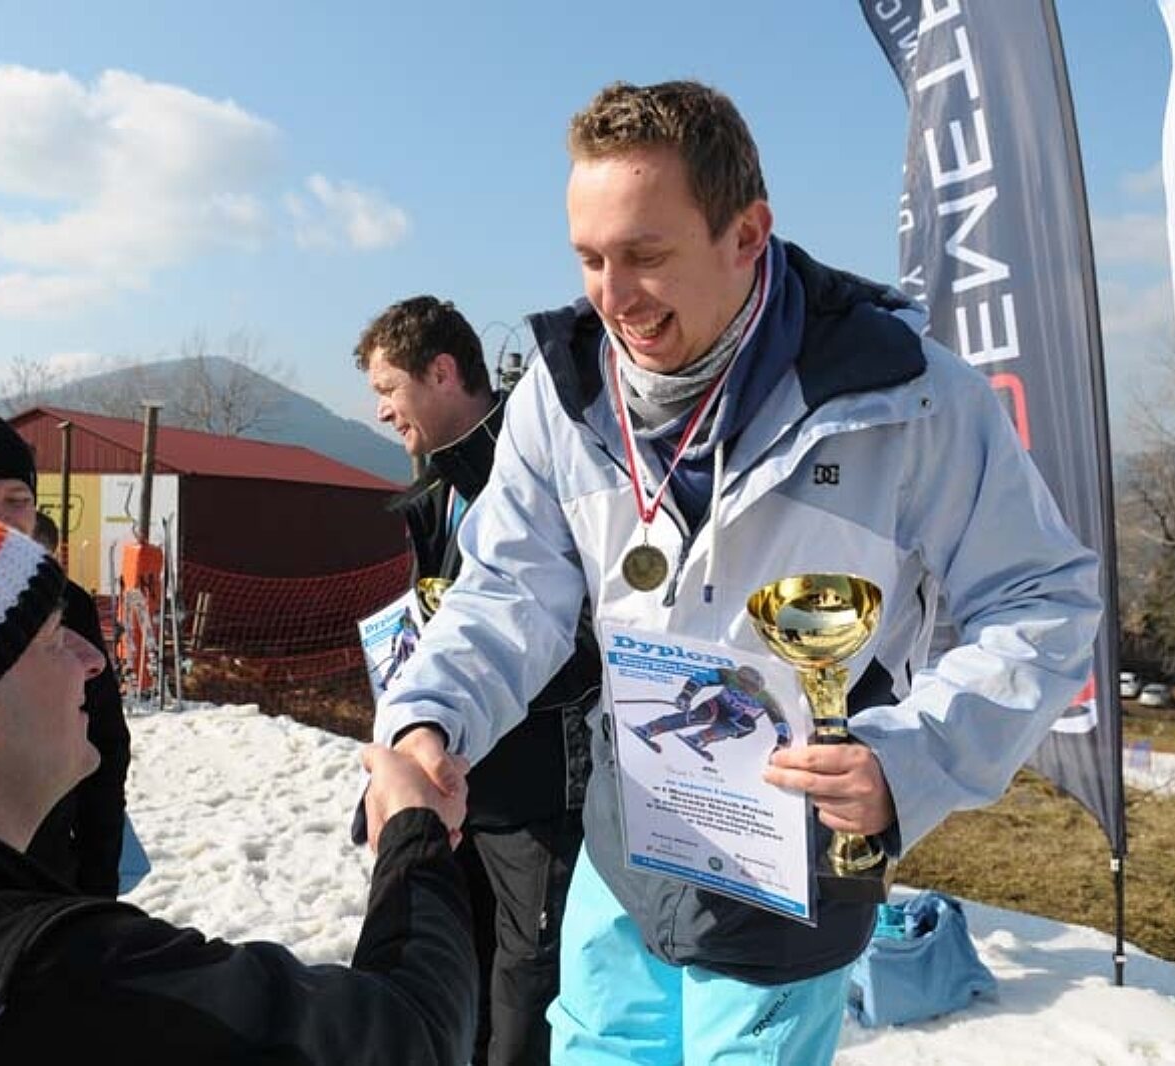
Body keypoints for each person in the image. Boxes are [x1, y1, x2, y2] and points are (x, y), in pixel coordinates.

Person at [368, 81, 1101, 1064]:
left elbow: (1043, 598)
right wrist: (430, 717)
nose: (613, 296)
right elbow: (508, 590)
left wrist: (911, 759)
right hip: (622, 851)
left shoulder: (903, 396)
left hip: (790, 872)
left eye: (646, 255)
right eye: (590, 258)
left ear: (747, 234)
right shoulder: (564, 393)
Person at [0, 498, 477, 1063]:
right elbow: (404, 1037)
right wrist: (412, 837)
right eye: (47, 639)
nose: (92, 660)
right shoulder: (41, 981)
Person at [355, 296, 601, 1066]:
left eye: (388, 388)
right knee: (461, 978)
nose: (381, 411)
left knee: (528, 991)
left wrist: (482, 680)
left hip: (535, 792)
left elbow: (579, 627)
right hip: (458, 784)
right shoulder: (436, 489)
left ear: (442, 371)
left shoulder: (544, 458)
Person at [0, 411, 132, 898]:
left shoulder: (64, 602)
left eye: (17, 500)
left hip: (43, 875)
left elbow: (106, 745)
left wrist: (98, 879)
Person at [625, 665, 790, 761]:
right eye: (742, 684)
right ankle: (650, 728)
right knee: (699, 715)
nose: (744, 689)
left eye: (750, 688)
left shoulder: (767, 699)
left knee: (747, 722)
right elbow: (701, 678)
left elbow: (781, 724)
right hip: (718, 706)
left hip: (736, 720)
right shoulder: (729, 676)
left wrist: (780, 745)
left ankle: (701, 738)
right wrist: (686, 695)